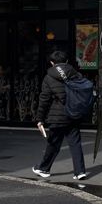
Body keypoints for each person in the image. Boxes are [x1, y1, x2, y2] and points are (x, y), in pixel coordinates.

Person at [33, 50, 89, 181]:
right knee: (75, 143)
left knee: (53, 143)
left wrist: (40, 118)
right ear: (67, 62)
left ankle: (43, 168)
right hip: (73, 114)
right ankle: (80, 171)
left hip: (57, 116)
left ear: (52, 63)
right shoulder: (75, 74)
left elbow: (44, 99)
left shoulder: (49, 77)